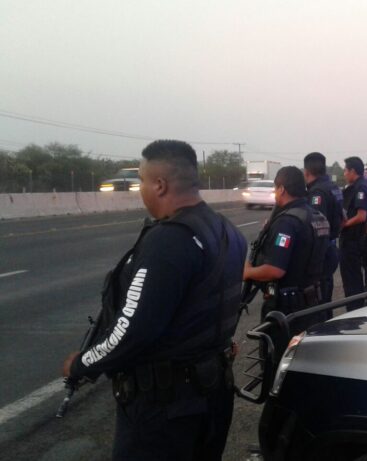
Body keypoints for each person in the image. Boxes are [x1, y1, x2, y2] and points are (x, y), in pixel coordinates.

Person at [61, 140, 247, 461]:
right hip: (213, 394)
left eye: (142, 181)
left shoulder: (169, 240)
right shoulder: (227, 230)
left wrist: (82, 363)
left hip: (166, 408)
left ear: (160, 185)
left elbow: (133, 329)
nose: (141, 190)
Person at [243, 166, 330, 333]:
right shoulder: (318, 217)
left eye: (275, 188)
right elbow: (330, 259)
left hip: (286, 311)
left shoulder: (286, 222)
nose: (275, 193)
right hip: (313, 304)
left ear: (282, 189)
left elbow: (275, 270)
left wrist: (247, 272)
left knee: (277, 350)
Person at [303, 152, 346, 305]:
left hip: (321, 253)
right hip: (331, 247)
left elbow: (316, 226)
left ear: (306, 171)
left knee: (318, 300)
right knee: (326, 297)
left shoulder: (317, 192)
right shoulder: (333, 187)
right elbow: (343, 218)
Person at [339, 156, 367, 310]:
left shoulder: (361, 188)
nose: (344, 174)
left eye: (345, 170)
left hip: (353, 240)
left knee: (352, 280)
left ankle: (355, 310)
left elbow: (361, 216)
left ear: (353, 171)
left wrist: (343, 225)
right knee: (351, 278)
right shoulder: (355, 187)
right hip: (351, 239)